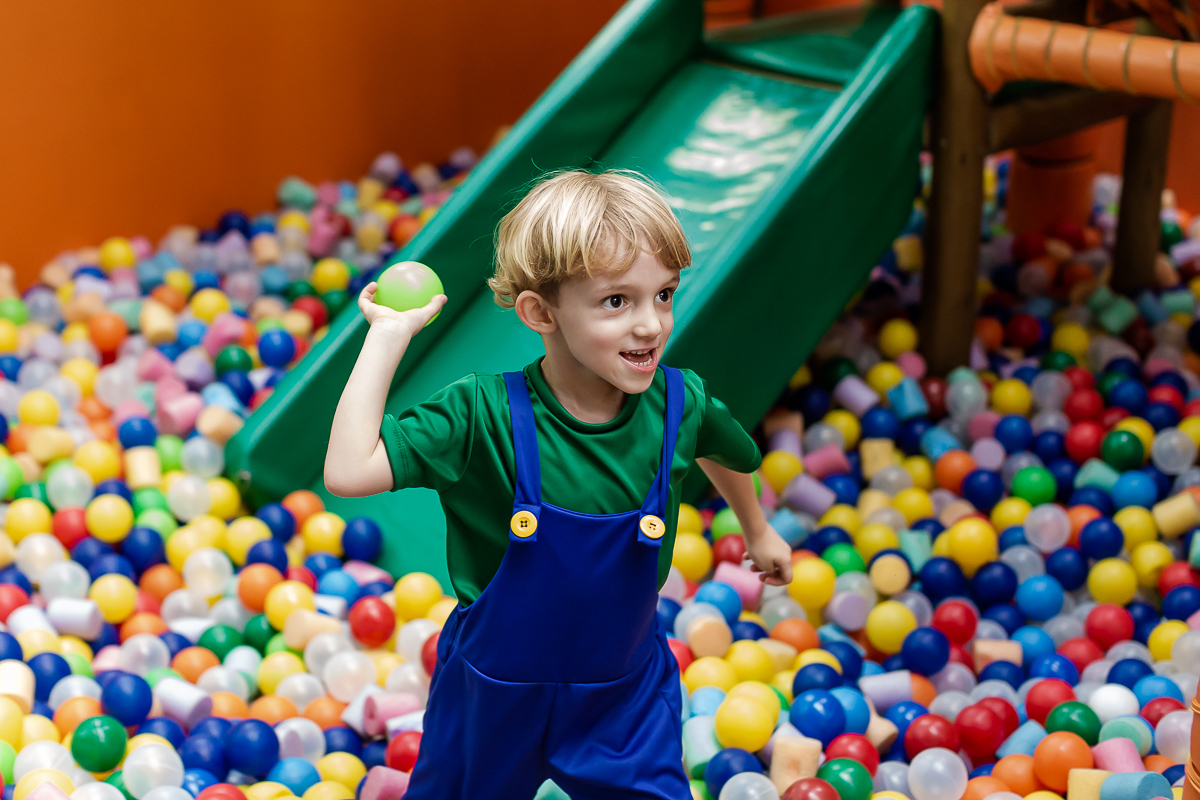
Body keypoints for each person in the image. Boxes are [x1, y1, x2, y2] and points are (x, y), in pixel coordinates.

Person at [324, 169, 794, 799]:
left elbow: (728, 454)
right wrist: (387, 335)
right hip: (492, 699)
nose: (652, 325)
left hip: (621, 700)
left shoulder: (680, 405)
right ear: (539, 311)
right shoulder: (479, 416)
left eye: (664, 295)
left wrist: (757, 530)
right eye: (617, 302)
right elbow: (349, 471)